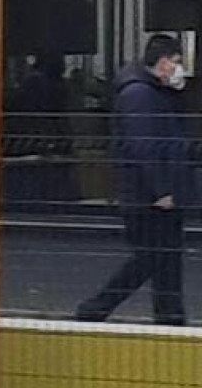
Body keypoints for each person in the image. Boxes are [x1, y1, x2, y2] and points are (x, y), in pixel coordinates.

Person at [76, 34, 192, 325]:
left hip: (152, 193)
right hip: (147, 196)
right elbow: (144, 146)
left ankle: (170, 318)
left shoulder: (153, 93)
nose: (180, 69)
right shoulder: (139, 95)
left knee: (163, 258)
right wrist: (162, 190)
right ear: (163, 63)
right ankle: (96, 308)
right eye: (177, 62)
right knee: (153, 258)